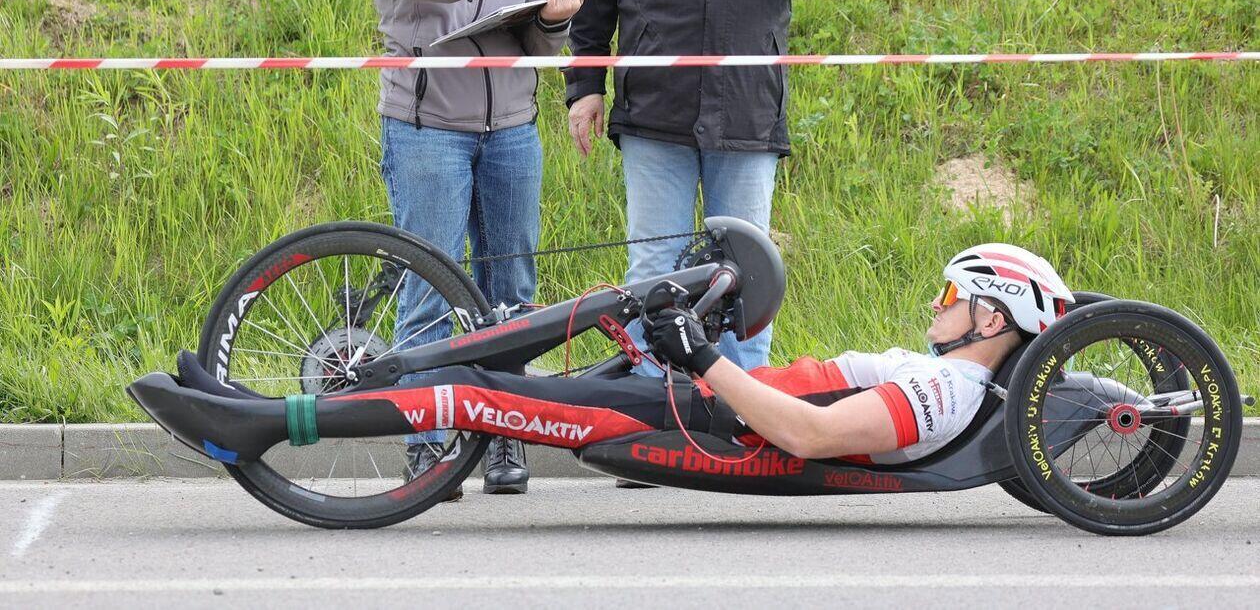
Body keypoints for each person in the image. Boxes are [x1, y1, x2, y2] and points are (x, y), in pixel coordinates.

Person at [564, 0, 863, 378]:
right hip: (654, 108)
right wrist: (585, 84)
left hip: (748, 107)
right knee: (655, 272)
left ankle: (743, 416)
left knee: (745, 274)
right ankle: (653, 410)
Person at [338, 244, 1074, 466]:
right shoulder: (949, 376)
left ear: (992, 315)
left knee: (478, 392)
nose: (937, 307)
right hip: (714, 398)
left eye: (951, 295)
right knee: (517, 356)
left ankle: (295, 417)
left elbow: (811, 432)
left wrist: (701, 358)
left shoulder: (945, 392)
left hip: (703, 417)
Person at [366, 0, 586, 496]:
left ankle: (504, 438)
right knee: (431, 286)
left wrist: (554, 18)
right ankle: (428, 444)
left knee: (512, 291)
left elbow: (538, 46)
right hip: (427, 128)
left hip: (513, 131)